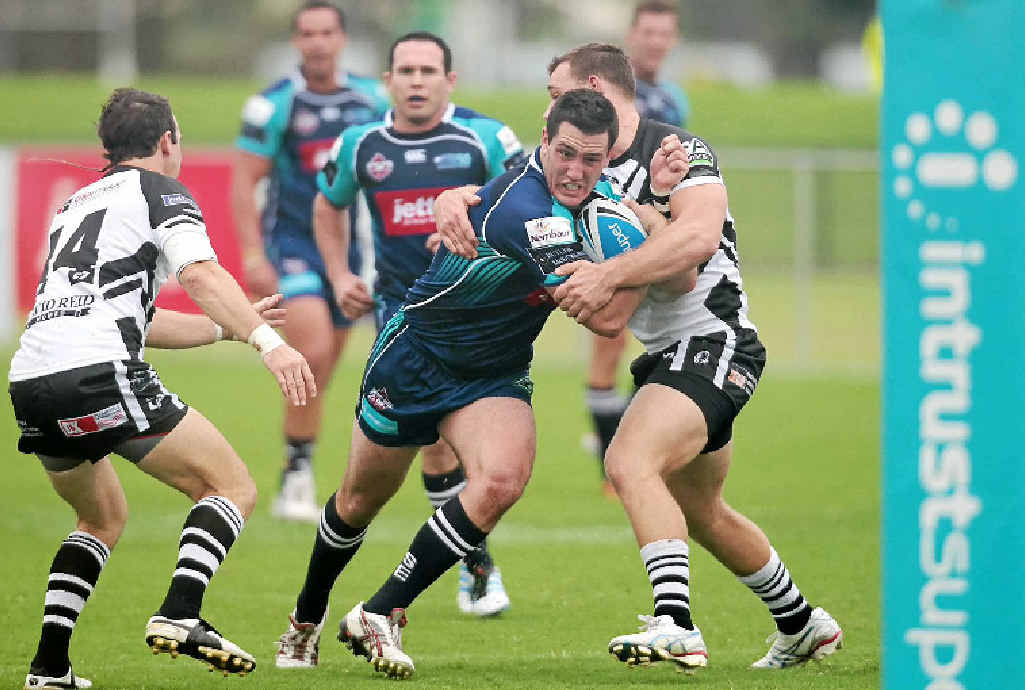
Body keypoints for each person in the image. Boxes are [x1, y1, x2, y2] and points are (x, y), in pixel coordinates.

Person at [434, 43, 844, 671]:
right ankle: (801, 622)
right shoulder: (576, 159)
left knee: (628, 460)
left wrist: (609, 275)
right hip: (666, 355)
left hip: (715, 340)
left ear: (594, 86)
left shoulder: (676, 149)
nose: (555, 114)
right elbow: (501, 190)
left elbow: (697, 240)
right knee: (702, 512)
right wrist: (452, 199)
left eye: (558, 93)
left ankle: (674, 624)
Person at [278, 89, 646, 680]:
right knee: (357, 503)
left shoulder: (589, 197)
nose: (577, 172)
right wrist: (651, 261)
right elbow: (606, 318)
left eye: (593, 160)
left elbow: (623, 225)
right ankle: (305, 617)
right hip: (416, 360)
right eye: (567, 154)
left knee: (502, 478)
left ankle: (383, 610)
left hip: (492, 372)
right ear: (544, 141)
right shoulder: (528, 212)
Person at [9, 88, 318, 688]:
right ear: (168, 141)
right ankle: (182, 613)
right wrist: (267, 341)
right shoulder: (161, 192)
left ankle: (49, 668)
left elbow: (135, 316)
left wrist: (226, 328)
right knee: (229, 486)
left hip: (32, 381)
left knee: (99, 519)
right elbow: (200, 272)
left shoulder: (74, 206)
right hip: (98, 373)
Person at [274, 34, 524, 666]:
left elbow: (527, 207)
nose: (417, 81)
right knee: (363, 495)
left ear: (450, 79)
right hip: (403, 328)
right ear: (387, 79)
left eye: (428, 71)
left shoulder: (487, 142)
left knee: (479, 465)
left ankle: (450, 582)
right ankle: (307, 619)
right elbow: (328, 211)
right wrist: (337, 275)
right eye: (406, 71)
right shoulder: (362, 145)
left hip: (479, 333)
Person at [232, 1, 389, 522]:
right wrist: (254, 254)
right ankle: (296, 477)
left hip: (352, 254)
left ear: (341, 39)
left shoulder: (371, 99)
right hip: (294, 249)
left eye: (326, 32)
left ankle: (297, 464)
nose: (318, 42)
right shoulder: (274, 104)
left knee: (321, 372)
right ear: (297, 42)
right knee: (312, 352)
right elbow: (243, 182)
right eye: (307, 33)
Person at [582, 0, 694, 494]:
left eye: (664, 34)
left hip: (658, 231)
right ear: (633, 36)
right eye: (648, 33)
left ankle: (635, 444)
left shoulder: (672, 102)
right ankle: (611, 459)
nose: (656, 42)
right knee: (609, 343)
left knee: (658, 341)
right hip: (610, 233)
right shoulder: (608, 96)